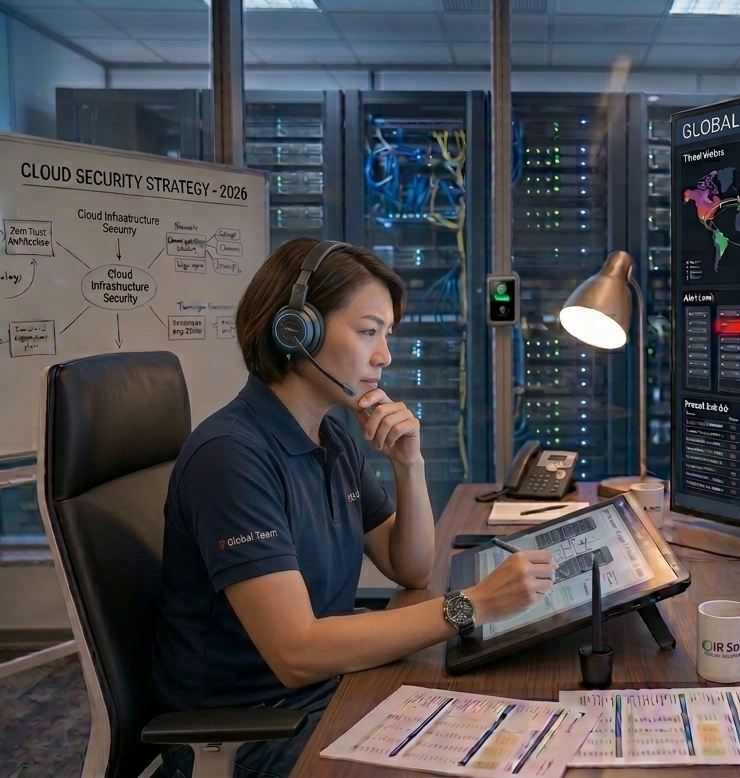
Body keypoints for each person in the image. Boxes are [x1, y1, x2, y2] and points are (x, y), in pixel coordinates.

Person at [150, 239, 555, 778]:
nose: (384, 356)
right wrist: (472, 605)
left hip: (330, 690)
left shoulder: (330, 437)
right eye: (368, 332)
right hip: (251, 731)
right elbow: (295, 652)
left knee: (514, 729)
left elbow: (408, 566)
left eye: (386, 335)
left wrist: (409, 464)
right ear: (296, 331)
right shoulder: (231, 457)